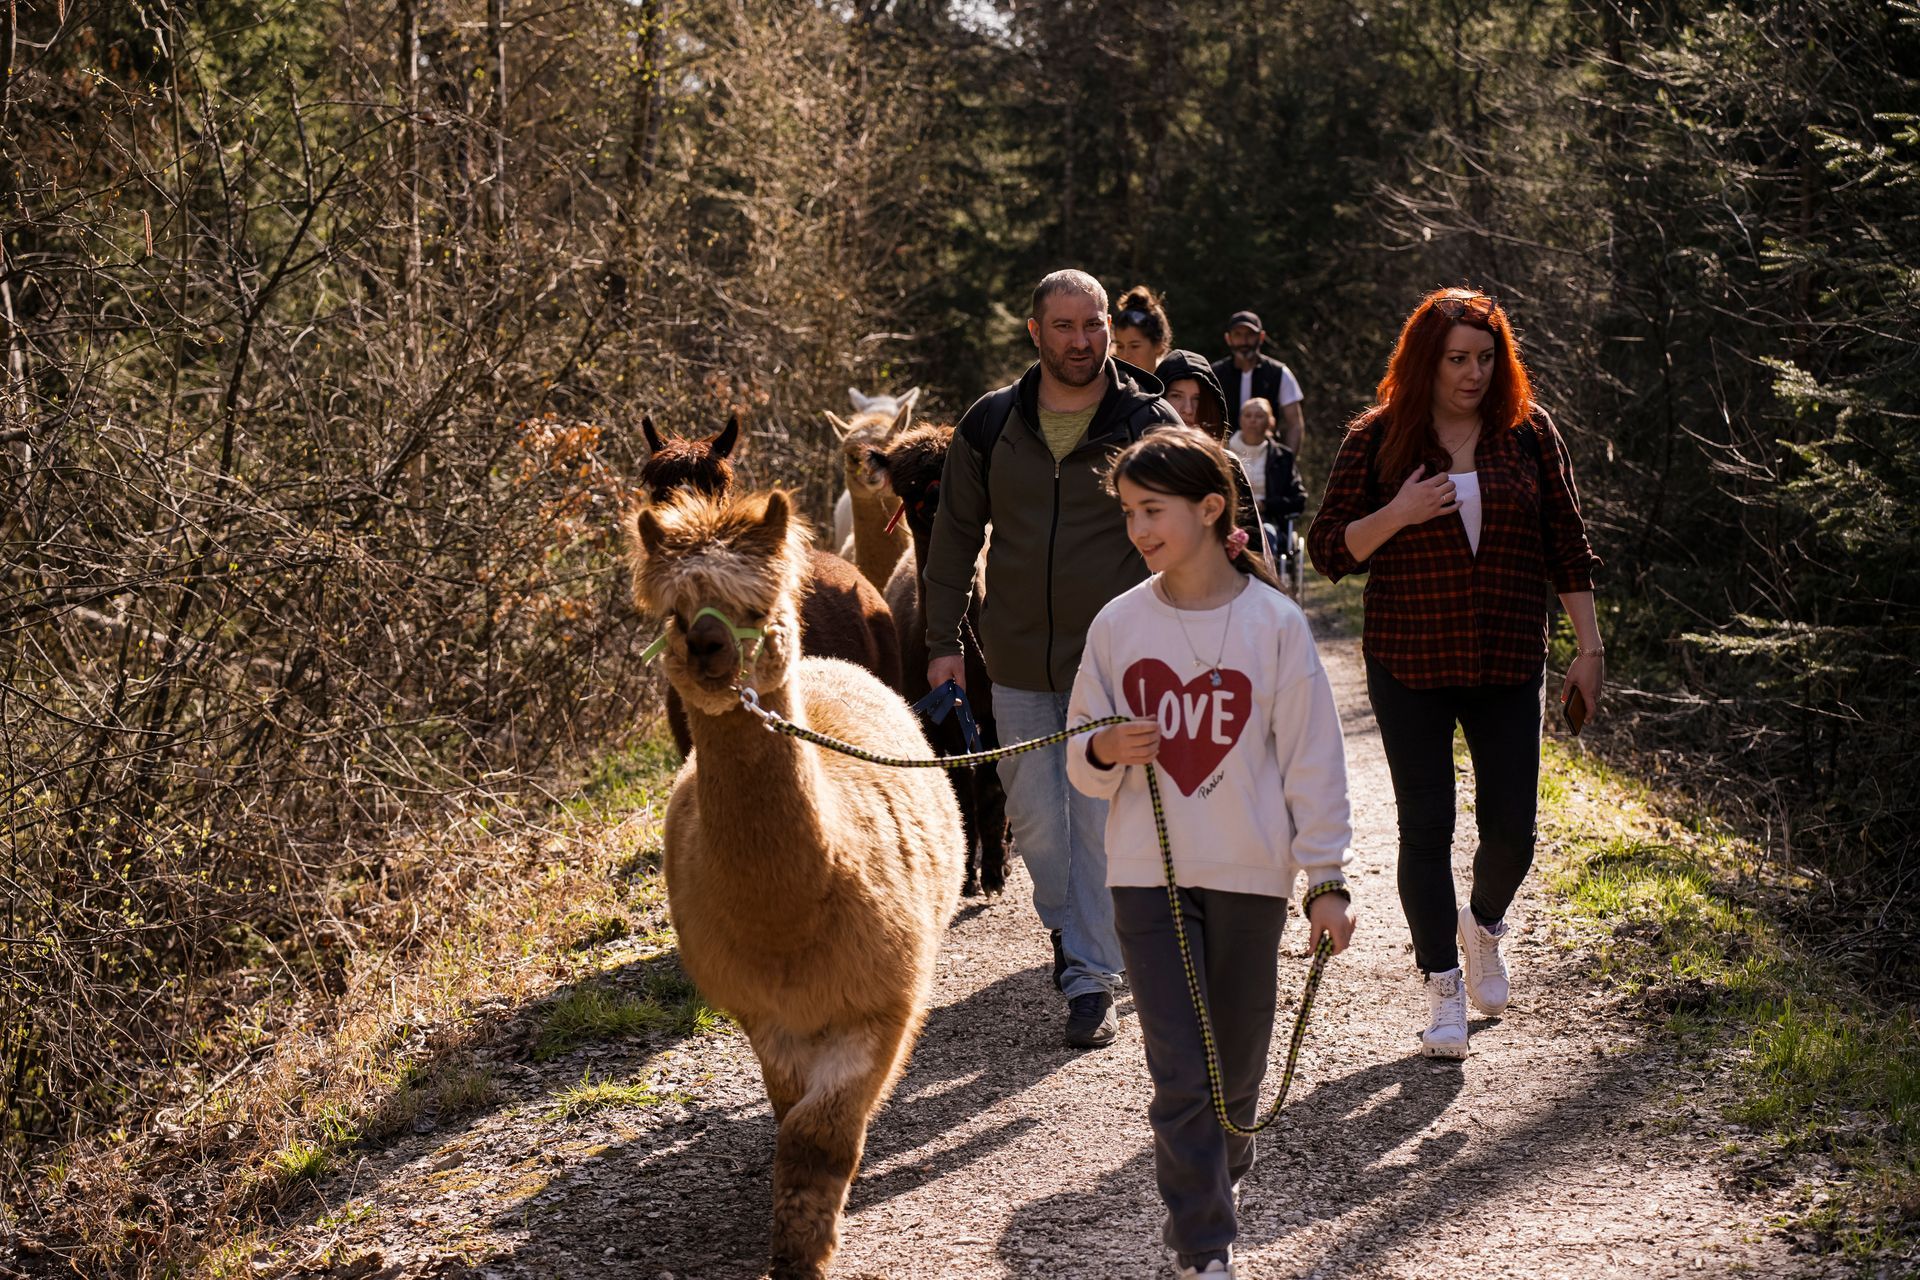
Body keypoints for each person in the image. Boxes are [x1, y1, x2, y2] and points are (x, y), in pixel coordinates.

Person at [1067, 427, 1356, 1280]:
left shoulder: (1274, 624)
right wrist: (1102, 750)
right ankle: (1204, 1245)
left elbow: (1313, 758)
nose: (1138, 529)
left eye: (1151, 510)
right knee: (1179, 1072)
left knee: (1235, 1074)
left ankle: (1219, 1170)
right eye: (1128, 512)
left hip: (1250, 878)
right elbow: (1078, 758)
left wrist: (1326, 880)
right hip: (1146, 879)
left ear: (1210, 508)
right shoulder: (1118, 625)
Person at [1306, 287, 1603, 1059]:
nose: (1473, 374)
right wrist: (1397, 513)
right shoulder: (1378, 439)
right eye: (1456, 360)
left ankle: (1484, 925)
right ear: (1425, 362)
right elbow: (1329, 550)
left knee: (1513, 830)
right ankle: (1442, 987)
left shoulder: (1529, 434)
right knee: (1426, 826)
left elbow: (1567, 544)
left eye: (1485, 358)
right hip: (1410, 657)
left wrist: (1590, 648)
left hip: (1507, 656)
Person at [923, 269, 1184, 1049]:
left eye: (1093, 324)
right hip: (1015, 661)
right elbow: (955, 536)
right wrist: (942, 643)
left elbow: (1194, 522)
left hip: (1114, 665)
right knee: (1037, 822)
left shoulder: (1147, 420)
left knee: (1097, 820)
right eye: (1064, 326)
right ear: (1035, 331)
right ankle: (1074, 932)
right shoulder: (991, 423)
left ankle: (1090, 977)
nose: (1081, 341)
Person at [1224, 396, 1308, 555]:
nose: (1253, 420)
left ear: (1270, 422)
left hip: (1268, 522)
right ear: (1240, 420)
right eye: (1248, 415)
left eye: (1259, 416)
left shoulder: (1282, 457)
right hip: (1228, 519)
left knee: (1266, 533)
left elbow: (1298, 500)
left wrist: (1265, 505)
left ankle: (1264, 571)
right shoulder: (1224, 452)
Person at [1212, 311, 1304, 451]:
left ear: (1261, 337)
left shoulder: (1279, 373)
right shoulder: (1215, 374)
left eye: (1250, 335)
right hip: (1225, 454)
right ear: (1228, 338)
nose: (1244, 341)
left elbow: (1294, 424)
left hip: (1267, 455)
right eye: (1238, 335)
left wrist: (1287, 460)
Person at [1112, 284, 1174, 370]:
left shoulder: (1178, 377)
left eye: (1134, 346)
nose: (1125, 356)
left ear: (1159, 345)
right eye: (1120, 347)